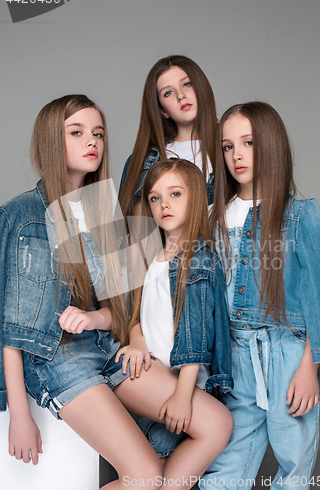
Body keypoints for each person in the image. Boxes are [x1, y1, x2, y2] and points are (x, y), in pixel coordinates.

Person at [0, 94, 232, 490]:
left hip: (104, 346)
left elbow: (115, 312)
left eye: (98, 133)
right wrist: (19, 412)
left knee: (217, 423)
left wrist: (93, 318)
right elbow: (13, 328)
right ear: (52, 142)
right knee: (143, 477)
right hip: (57, 361)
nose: (92, 141)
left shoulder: (101, 211)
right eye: (77, 132)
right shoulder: (25, 215)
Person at [201, 101, 320, 489]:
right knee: (226, 469)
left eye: (248, 142)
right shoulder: (214, 216)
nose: (237, 155)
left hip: (288, 352)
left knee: (293, 466)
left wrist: (310, 367)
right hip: (235, 355)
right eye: (227, 146)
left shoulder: (299, 214)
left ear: (271, 145)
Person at [116, 159, 233, 461]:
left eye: (175, 194)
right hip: (154, 379)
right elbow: (138, 315)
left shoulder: (198, 261)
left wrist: (182, 397)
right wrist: (138, 340)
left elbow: (195, 339)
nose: (164, 204)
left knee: (157, 453)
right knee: (145, 462)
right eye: (155, 197)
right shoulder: (153, 258)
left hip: (184, 385)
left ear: (196, 197)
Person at [118, 55, 217, 219]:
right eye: (168, 93)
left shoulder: (232, 150)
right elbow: (133, 235)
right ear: (163, 110)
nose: (180, 95)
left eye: (187, 84)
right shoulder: (145, 162)